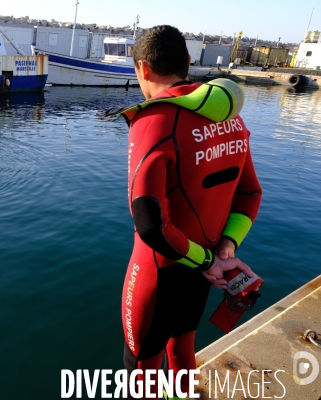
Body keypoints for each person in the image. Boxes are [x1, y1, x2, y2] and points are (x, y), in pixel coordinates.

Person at [112, 25, 263, 397]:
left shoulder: (155, 121)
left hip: (158, 270)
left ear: (143, 69)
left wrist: (208, 263)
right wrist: (224, 251)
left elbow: (149, 223)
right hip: (206, 267)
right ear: (189, 63)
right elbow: (249, 194)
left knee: (142, 369)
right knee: (181, 350)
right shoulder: (231, 117)